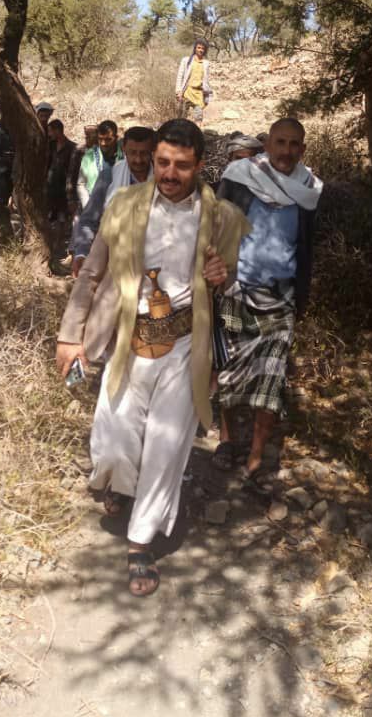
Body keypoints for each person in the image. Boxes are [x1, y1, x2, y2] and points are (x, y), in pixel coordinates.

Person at [56, 119, 250, 597]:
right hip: (129, 341)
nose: (168, 173)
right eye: (163, 162)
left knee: (166, 449)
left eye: (181, 165)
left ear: (199, 166)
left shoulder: (222, 218)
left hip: (184, 347)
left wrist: (223, 276)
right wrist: (70, 336)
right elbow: (92, 273)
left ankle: (140, 541)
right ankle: (119, 484)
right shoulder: (124, 206)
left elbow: (230, 283)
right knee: (113, 442)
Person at [212, 118, 322, 486]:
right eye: (280, 142)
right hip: (237, 289)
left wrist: (301, 295)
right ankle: (227, 440)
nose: (286, 151)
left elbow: (306, 246)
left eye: (294, 144)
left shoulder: (308, 190)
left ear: (302, 149)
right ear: (268, 144)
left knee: (271, 380)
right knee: (228, 372)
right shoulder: (240, 177)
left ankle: (256, 458)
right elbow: (216, 228)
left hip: (280, 297)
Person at [71, 126, 156, 276]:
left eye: (143, 153)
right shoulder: (109, 176)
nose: (138, 160)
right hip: (115, 264)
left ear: (153, 152)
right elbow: (89, 221)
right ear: (124, 150)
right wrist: (82, 253)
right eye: (133, 153)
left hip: (154, 261)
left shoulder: (163, 180)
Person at [77, 120, 123, 210]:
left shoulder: (125, 155)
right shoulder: (90, 156)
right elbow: (81, 183)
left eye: (108, 139)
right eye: (100, 139)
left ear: (116, 138)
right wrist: (88, 206)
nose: (103, 143)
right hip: (96, 208)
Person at [176, 39, 213, 124]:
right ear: (195, 48)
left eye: (202, 48)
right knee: (182, 118)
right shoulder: (186, 60)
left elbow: (206, 80)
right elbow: (180, 76)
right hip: (186, 92)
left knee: (198, 118)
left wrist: (207, 94)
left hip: (199, 94)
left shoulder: (206, 63)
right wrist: (178, 91)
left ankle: (197, 132)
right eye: (199, 47)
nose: (200, 50)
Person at [67, 124, 99, 219]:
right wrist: (71, 199)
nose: (86, 138)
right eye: (86, 136)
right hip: (81, 194)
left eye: (89, 136)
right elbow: (71, 174)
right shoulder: (79, 150)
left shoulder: (102, 151)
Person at [46, 120, 76, 221]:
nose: (49, 134)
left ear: (57, 131)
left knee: (62, 219)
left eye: (50, 131)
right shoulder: (50, 146)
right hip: (50, 189)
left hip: (63, 191)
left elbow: (72, 171)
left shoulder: (72, 147)